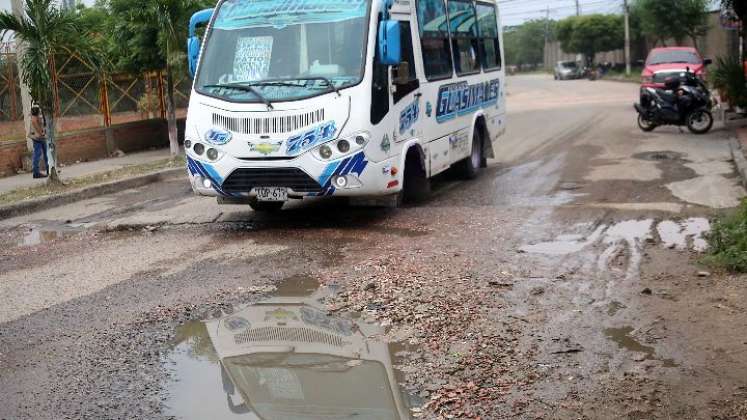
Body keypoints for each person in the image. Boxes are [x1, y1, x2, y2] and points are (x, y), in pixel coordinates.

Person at [29, 105, 48, 179]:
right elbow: (34, 122)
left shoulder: (37, 114)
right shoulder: (35, 113)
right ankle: (36, 172)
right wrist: (41, 133)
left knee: (46, 153)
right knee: (38, 154)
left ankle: (49, 169)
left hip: (39, 136)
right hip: (38, 137)